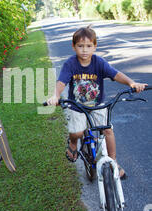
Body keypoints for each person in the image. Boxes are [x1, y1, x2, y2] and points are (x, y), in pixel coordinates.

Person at [47, 26, 147, 177]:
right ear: (74, 47)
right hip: (78, 106)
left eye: (88, 46)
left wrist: (131, 83)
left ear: (95, 46)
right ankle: (73, 143)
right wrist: (55, 95)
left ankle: (113, 161)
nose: (85, 50)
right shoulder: (70, 64)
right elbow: (61, 82)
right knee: (77, 132)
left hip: (98, 105)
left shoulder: (99, 62)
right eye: (80, 46)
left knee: (107, 130)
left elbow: (116, 74)